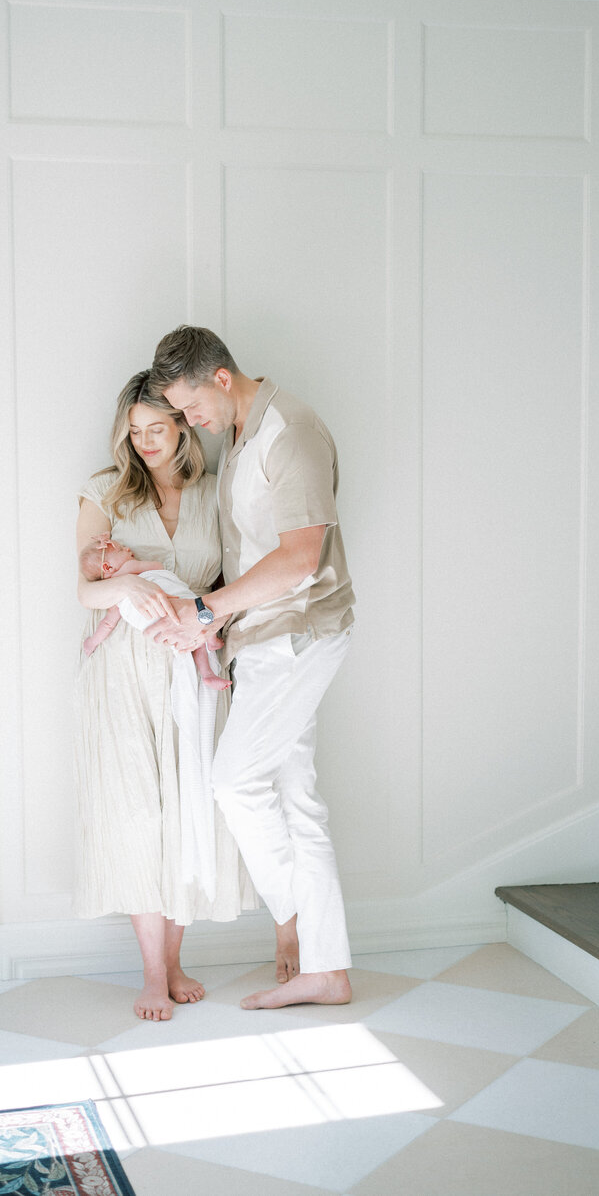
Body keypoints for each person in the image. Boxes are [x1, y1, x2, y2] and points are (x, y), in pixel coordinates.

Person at [147, 326, 356, 1010]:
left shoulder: (289, 432)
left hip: (298, 636)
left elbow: (300, 559)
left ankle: (297, 921)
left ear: (221, 378)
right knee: (297, 799)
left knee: (233, 782)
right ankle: (328, 969)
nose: (188, 422)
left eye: (190, 406)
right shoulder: (241, 437)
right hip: (264, 642)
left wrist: (206, 612)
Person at [73, 369, 255, 1022]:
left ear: (182, 426)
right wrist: (128, 587)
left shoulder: (218, 493)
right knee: (137, 814)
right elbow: (86, 588)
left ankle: (176, 960)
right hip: (123, 669)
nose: (147, 443)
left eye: (158, 429)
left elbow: (239, 585)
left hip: (193, 663)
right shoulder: (105, 492)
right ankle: (153, 972)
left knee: (189, 812)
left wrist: (205, 620)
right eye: (136, 433)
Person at [78, 534, 229, 689]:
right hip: (170, 603)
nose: (128, 549)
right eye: (121, 550)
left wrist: (92, 642)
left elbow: (108, 624)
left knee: (190, 640)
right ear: (107, 567)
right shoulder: (129, 569)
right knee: (197, 610)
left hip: (155, 624)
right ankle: (211, 642)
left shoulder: (116, 599)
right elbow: (158, 566)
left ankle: (207, 674)